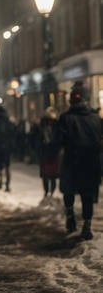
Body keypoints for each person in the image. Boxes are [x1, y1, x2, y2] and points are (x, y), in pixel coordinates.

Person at [55, 81, 103, 240]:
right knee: (87, 194)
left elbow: (58, 140)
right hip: (91, 162)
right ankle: (87, 225)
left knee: (69, 190)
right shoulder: (96, 118)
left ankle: (70, 217)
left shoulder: (65, 119)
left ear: (71, 100)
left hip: (72, 160)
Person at [32, 107, 61, 198]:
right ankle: (46, 191)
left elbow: (59, 137)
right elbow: (36, 137)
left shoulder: (57, 126)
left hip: (53, 152)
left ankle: (51, 192)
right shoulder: (42, 125)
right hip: (44, 152)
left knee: (52, 175)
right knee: (45, 175)